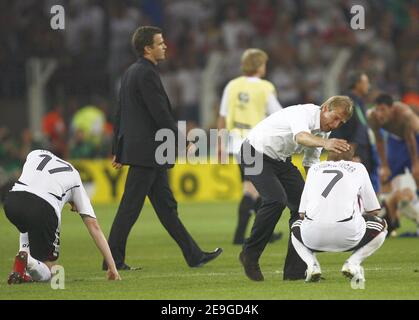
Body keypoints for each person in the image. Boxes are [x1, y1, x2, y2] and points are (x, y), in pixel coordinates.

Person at [104, 26, 222, 271]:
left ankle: (194, 255)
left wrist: (118, 147)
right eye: (160, 43)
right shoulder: (146, 74)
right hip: (148, 153)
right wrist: (182, 140)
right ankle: (111, 259)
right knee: (130, 208)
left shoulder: (130, 73)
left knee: (166, 208)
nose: (165, 46)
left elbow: (120, 112)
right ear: (148, 48)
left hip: (147, 153)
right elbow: (160, 113)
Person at [238, 95, 353, 281]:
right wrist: (326, 144)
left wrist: (314, 193)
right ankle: (250, 255)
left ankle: (295, 272)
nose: (335, 125)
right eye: (335, 118)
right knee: (276, 200)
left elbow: (311, 163)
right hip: (253, 153)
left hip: (281, 160)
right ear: (325, 108)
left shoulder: (324, 132)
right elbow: (301, 137)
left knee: (305, 209)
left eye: (341, 122)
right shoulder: (303, 113)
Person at [3, 149, 121, 284]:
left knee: (25, 224)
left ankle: (21, 266)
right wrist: (112, 267)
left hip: (12, 201)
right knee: (50, 269)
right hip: (43, 207)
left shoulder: (35, 153)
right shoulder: (74, 176)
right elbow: (94, 227)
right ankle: (28, 260)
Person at [290, 145, 387, 283]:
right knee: (381, 225)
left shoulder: (313, 169)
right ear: (352, 158)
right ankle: (353, 263)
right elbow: (374, 210)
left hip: (313, 238)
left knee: (296, 225)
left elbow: (301, 213)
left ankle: (312, 265)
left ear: (329, 154)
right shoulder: (358, 168)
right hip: (348, 236)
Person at [217, 48, 283, 245]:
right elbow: (278, 114)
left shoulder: (232, 85)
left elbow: (222, 116)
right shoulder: (265, 88)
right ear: (259, 65)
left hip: (235, 143)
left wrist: (220, 143)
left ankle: (264, 233)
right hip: (255, 143)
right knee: (253, 190)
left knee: (257, 189)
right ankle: (239, 236)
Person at [330, 71, 380, 191]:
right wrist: (350, 152)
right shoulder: (346, 102)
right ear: (357, 84)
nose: (368, 86)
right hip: (354, 151)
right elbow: (342, 127)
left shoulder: (358, 102)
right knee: (355, 188)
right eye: (366, 82)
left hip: (362, 149)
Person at [368, 93, 419, 189]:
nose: (379, 114)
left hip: (415, 138)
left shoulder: (404, 114)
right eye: (377, 109)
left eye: (383, 109)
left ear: (392, 109)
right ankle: (384, 202)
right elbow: (379, 140)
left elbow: (410, 139)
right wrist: (384, 165)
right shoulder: (373, 117)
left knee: (417, 173)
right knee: (386, 175)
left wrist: (415, 163)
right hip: (396, 139)